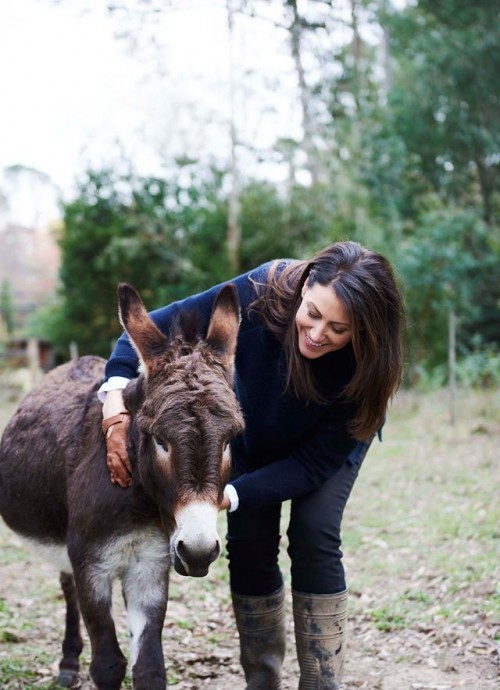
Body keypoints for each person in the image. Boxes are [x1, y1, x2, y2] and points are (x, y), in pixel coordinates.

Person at [99, 240, 405, 690]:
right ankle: (262, 680)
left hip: (324, 448)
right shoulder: (262, 289)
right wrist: (113, 404)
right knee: (249, 541)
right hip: (254, 431)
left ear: (365, 332)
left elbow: (312, 464)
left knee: (314, 533)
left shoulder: (368, 371)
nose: (319, 333)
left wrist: (233, 493)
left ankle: (322, 682)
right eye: (313, 313)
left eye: (339, 329)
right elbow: (144, 333)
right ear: (304, 287)